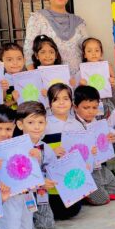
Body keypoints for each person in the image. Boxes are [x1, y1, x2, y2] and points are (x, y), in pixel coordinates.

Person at [0, 105, 34, 229]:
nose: (3, 133)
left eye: (8, 129)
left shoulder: (19, 147)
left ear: (14, 127)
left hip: (24, 194)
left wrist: (35, 157)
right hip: (6, 198)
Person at [24, 0, 88, 76]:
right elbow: (28, 51)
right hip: (50, 81)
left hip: (79, 80)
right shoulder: (37, 18)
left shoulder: (78, 22)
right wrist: (35, 79)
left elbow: (88, 50)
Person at [73, 85, 115, 205]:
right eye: (86, 107)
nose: (91, 111)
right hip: (86, 170)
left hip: (99, 165)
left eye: (94, 107)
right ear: (75, 107)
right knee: (102, 199)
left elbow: (104, 143)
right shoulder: (73, 126)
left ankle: (97, 187)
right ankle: (86, 191)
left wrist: (109, 139)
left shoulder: (98, 123)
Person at [42, 83, 83, 219]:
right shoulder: (44, 124)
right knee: (57, 210)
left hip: (71, 178)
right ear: (49, 103)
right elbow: (35, 148)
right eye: (56, 99)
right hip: (52, 177)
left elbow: (83, 149)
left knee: (73, 211)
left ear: (71, 102)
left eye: (65, 98)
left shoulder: (77, 124)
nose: (61, 102)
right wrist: (52, 151)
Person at [15, 101, 56, 229]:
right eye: (31, 123)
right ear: (20, 124)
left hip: (41, 194)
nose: (37, 127)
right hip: (22, 196)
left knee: (47, 226)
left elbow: (53, 168)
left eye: (40, 122)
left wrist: (49, 180)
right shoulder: (15, 147)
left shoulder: (45, 147)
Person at [78, 37, 115, 120]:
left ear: (101, 53)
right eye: (89, 51)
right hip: (90, 104)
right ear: (84, 54)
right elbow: (78, 92)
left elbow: (112, 87)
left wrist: (112, 83)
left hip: (105, 102)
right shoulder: (81, 70)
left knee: (108, 124)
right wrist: (81, 85)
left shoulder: (107, 67)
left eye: (97, 50)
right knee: (95, 124)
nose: (93, 53)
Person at [0, 42, 26, 110]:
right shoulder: (1, 81)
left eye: (19, 59)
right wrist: (13, 100)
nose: (15, 63)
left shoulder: (28, 79)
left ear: (24, 60)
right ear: (1, 63)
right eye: (9, 59)